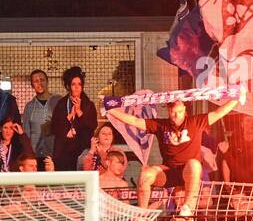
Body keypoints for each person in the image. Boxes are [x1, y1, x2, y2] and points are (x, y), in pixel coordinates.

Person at [107, 94, 242, 213]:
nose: (176, 115)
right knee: (145, 174)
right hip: (169, 171)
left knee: (194, 164)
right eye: (172, 112)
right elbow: (135, 121)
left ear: (184, 109)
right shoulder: (161, 125)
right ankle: (142, 215)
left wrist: (236, 98)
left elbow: (218, 113)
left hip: (188, 172)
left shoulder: (195, 121)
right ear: (168, 111)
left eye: (179, 111)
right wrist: (111, 109)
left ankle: (188, 208)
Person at [51, 67, 97, 173]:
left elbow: (92, 126)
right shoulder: (61, 104)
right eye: (73, 84)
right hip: (63, 150)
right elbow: (54, 126)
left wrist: (79, 111)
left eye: (79, 84)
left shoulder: (89, 105)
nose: (76, 87)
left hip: (81, 149)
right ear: (68, 86)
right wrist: (70, 116)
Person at [21, 69, 60, 162]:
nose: (40, 83)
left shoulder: (58, 101)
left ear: (47, 82)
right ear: (32, 85)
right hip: (36, 156)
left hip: (55, 155)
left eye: (42, 80)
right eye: (36, 81)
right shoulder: (29, 107)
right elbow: (26, 134)